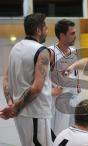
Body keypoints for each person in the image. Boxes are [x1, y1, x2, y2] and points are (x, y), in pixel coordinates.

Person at [0, 13, 60, 146]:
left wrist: (10, 103)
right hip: (35, 113)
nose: (47, 31)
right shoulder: (42, 51)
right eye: (45, 28)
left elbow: (6, 80)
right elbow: (37, 88)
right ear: (38, 30)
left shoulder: (15, 48)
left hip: (20, 114)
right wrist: (15, 107)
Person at [49, 19, 81, 139]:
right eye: (72, 33)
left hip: (74, 99)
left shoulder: (73, 51)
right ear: (62, 35)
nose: (75, 36)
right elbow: (37, 75)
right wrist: (50, 91)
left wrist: (77, 83)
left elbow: (75, 71)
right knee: (59, 137)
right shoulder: (51, 53)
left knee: (72, 134)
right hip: (59, 102)